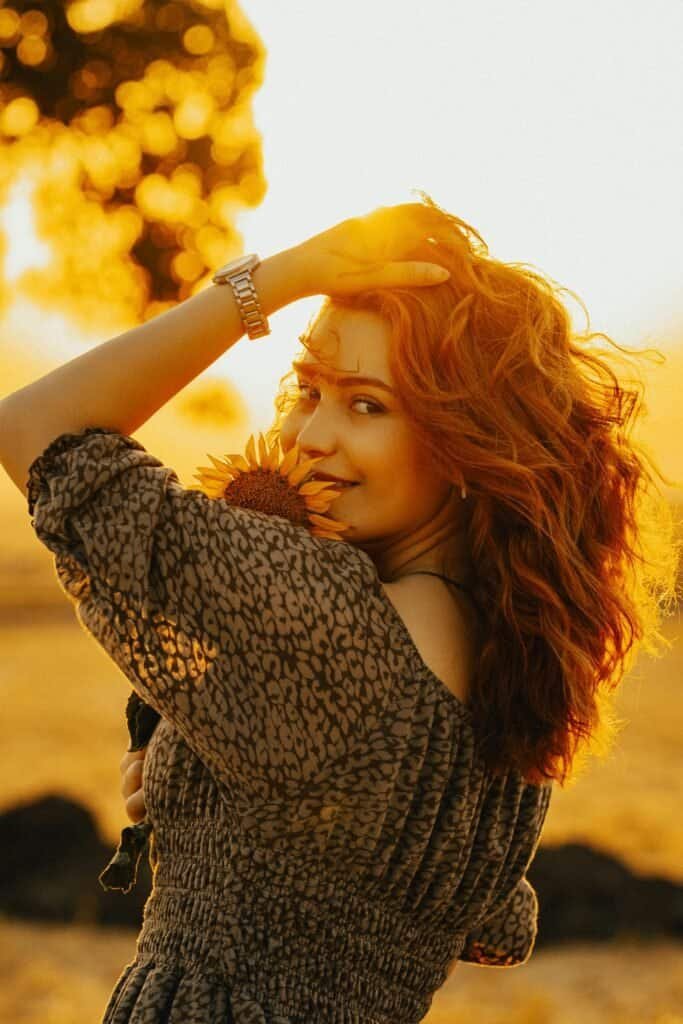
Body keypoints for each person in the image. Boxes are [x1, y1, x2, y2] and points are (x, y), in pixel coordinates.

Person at [1, 193, 676, 1023]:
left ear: (466, 446)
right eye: (306, 386)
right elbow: (489, 920)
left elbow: (37, 428)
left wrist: (273, 282)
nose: (307, 435)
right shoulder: (505, 657)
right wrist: (208, 795)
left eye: (367, 404)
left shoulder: (332, 620)